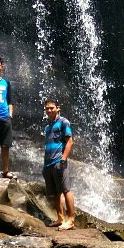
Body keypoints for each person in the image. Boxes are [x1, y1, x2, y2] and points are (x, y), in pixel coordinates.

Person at [43, 98, 75, 231]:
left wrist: (63, 158)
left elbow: (70, 141)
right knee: (56, 192)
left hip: (58, 161)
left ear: (58, 108)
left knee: (66, 189)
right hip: (48, 163)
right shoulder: (47, 126)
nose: (49, 110)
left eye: (52, 108)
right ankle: (60, 218)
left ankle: (71, 219)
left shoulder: (63, 122)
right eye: (47, 108)